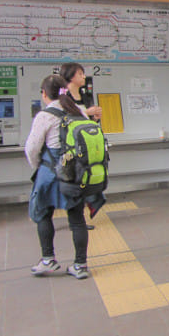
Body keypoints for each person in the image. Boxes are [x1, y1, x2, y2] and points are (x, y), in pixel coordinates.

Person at [25, 75, 93, 279]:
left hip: (50, 172)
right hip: (75, 173)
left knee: (43, 214)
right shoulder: (79, 111)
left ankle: (48, 260)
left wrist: (39, 167)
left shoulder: (44, 116)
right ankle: (80, 265)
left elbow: (32, 149)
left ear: (44, 94)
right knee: (77, 219)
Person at [59, 62, 102, 230]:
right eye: (80, 74)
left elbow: (86, 121)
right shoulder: (63, 96)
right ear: (70, 77)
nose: (84, 77)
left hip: (86, 146)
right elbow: (65, 118)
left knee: (85, 180)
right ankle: (76, 221)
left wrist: (94, 119)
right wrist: (86, 113)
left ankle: (79, 218)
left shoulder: (85, 94)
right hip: (71, 147)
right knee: (74, 182)